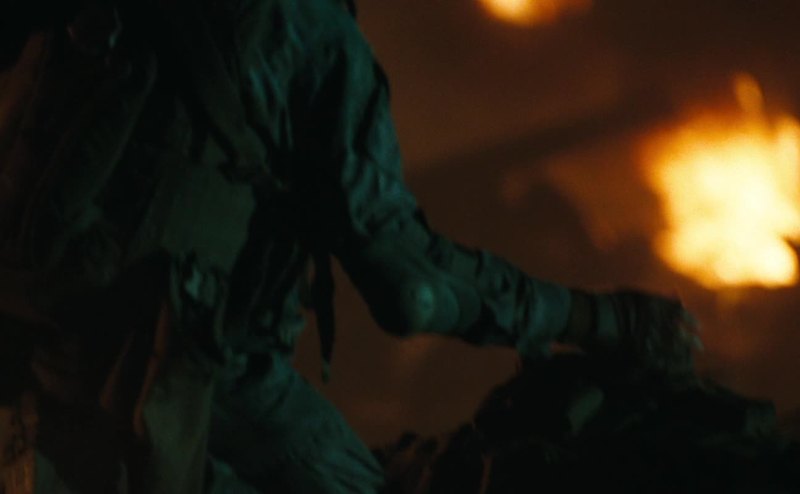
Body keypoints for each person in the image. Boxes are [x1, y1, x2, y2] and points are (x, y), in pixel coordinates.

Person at [0, 0, 700, 492]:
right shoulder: (311, 31)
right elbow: (412, 291)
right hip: (175, 362)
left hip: (26, 343)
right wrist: (600, 319)